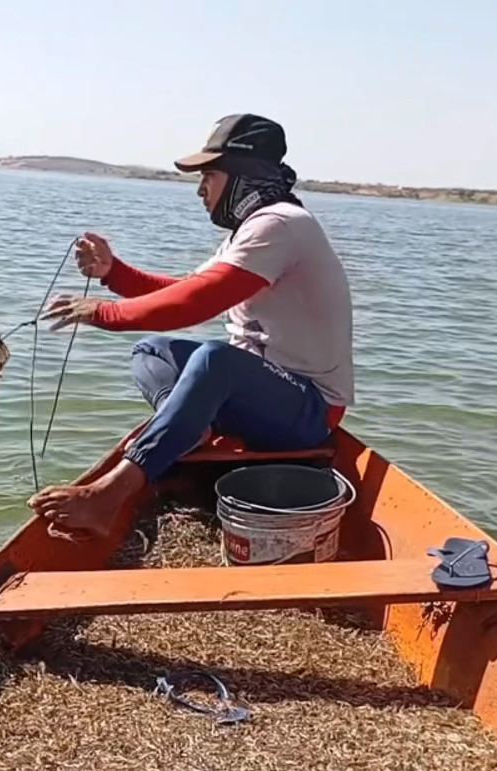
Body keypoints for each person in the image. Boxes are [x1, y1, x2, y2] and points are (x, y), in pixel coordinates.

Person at [29, 113, 354, 539]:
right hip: (262, 393)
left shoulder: (280, 224)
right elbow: (187, 287)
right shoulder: (250, 229)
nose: (200, 188)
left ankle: (110, 495)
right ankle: (188, 430)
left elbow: (195, 302)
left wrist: (101, 312)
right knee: (152, 352)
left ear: (242, 175)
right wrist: (114, 273)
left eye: (209, 175)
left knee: (215, 360)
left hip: (309, 409)